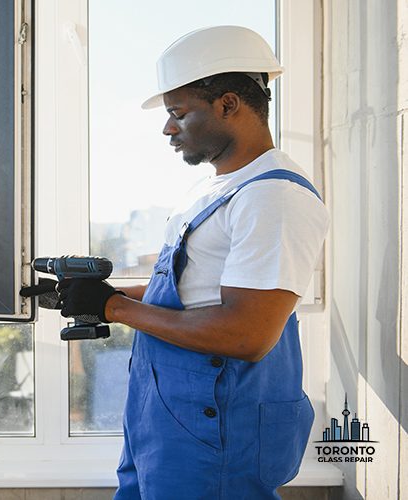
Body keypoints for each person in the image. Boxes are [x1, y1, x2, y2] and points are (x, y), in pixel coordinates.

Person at [56, 26, 330, 498]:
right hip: (165, 418)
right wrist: (101, 296)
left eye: (178, 114)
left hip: (216, 431)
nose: (167, 128)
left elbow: (247, 334)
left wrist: (115, 310)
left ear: (228, 104)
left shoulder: (272, 197)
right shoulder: (215, 188)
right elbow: (192, 292)